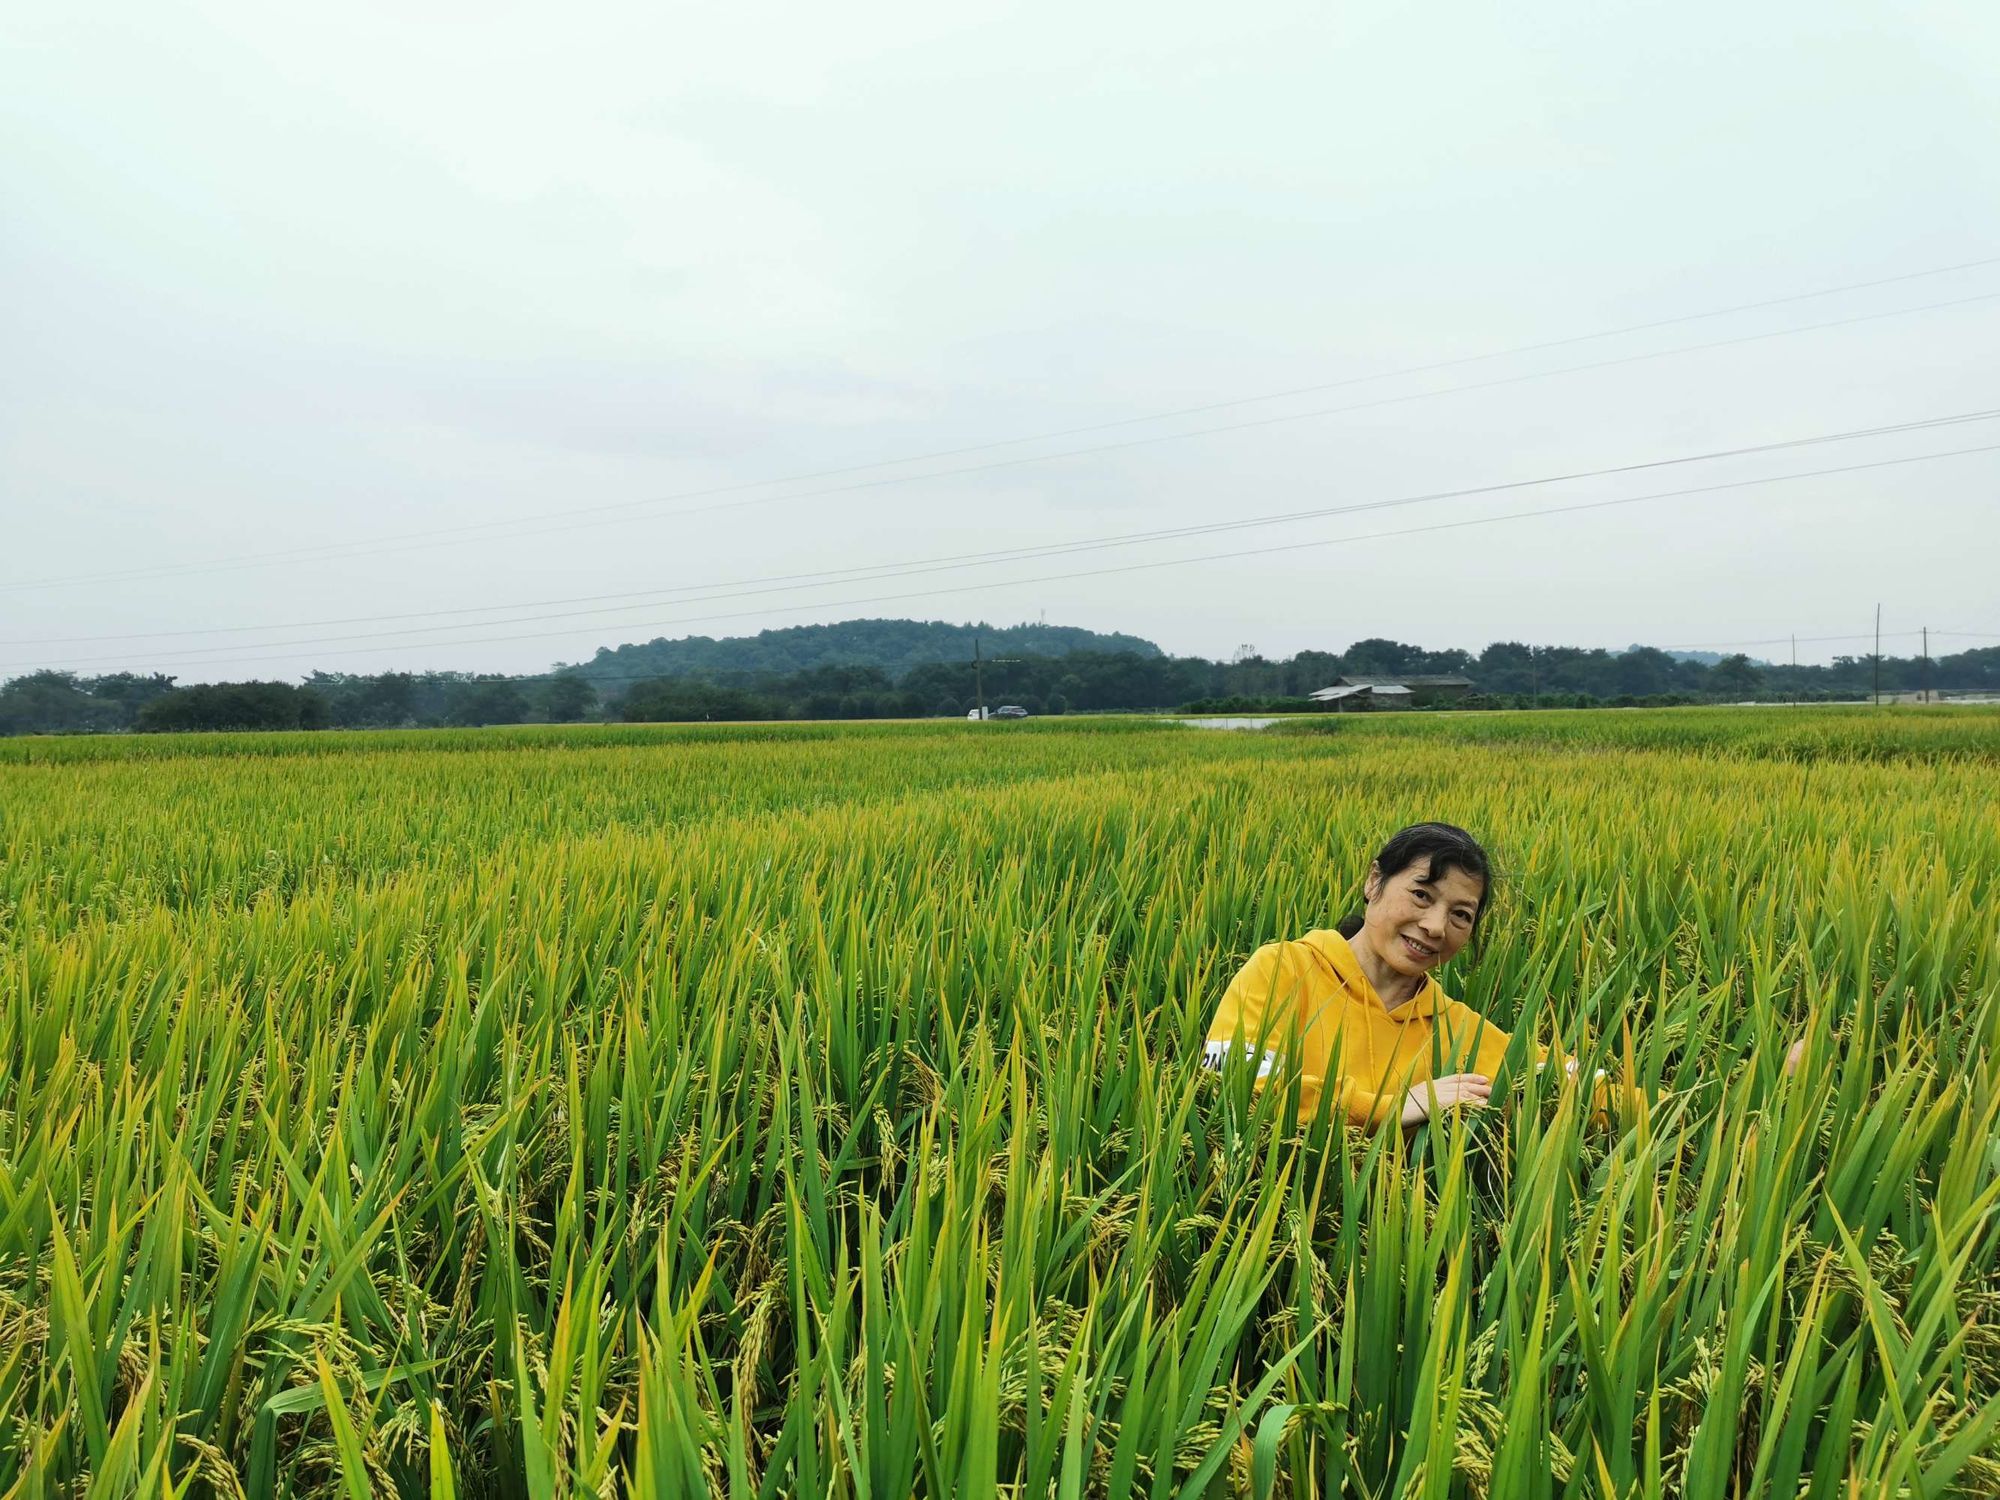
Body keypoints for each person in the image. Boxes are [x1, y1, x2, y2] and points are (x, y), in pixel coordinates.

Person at [1200, 822, 1806, 1131]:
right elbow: (1232, 1072)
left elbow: (1574, 1085)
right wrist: (1393, 1106)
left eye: (1460, 915)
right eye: (1422, 894)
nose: (1435, 925)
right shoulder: (1284, 968)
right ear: (1373, 883)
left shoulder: (1456, 1029)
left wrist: (1745, 1098)